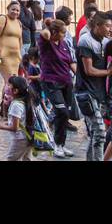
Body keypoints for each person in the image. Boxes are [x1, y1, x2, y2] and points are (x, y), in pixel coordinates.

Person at [76, 12, 112, 161]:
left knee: (96, 133)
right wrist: (109, 72)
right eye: (107, 26)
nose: (110, 29)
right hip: (86, 92)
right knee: (100, 132)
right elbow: (89, 70)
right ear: (97, 25)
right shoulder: (85, 41)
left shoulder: (106, 41)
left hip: (99, 92)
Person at [37, 17, 77, 158]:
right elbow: (45, 34)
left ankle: (61, 144)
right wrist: (48, 25)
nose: (65, 34)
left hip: (66, 83)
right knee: (62, 112)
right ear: (55, 32)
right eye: (62, 32)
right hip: (51, 82)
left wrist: (79, 77)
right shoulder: (45, 43)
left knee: (65, 115)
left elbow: (71, 62)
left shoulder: (64, 43)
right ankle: (56, 143)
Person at [0, 75, 37, 161]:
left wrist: (0, 126)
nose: (7, 86)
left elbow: (15, 127)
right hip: (29, 135)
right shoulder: (25, 100)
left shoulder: (16, 105)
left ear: (15, 90)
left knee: (11, 159)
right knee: (27, 158)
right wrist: (7, 122)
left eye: (9, 85)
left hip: (20, 139)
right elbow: (21, 120)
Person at [0, 1, 23, 80]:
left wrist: (20, 53)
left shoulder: (19, 23)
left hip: (15, 57)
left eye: (17, 10)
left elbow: (20, 39)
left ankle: (5, 93)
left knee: (13, 82)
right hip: (4, 55)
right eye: (13, 9)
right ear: (8, 9)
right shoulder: (3, 18)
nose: (15, 12)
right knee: (10, 81)